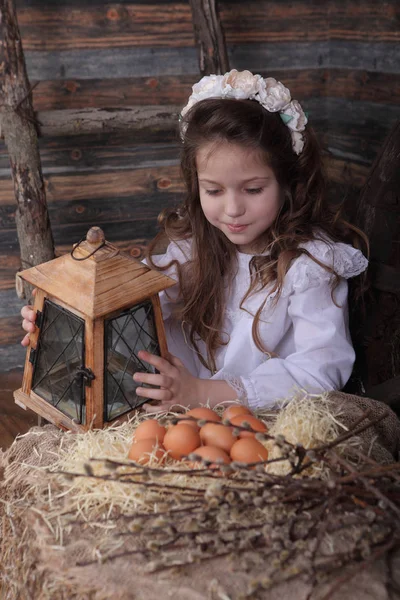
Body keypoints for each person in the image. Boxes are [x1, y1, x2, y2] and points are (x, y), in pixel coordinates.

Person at [21, 69, 368, 414]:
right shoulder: (193, 248)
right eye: (214, 191)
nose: (233, 210)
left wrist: (204, 391)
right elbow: (131, 299)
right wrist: (62, 322)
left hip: (264, 415)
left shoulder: (309, 265)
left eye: (253, 190)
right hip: (181, 410)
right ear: (196, 184)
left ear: (287, 182)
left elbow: (320, 369)